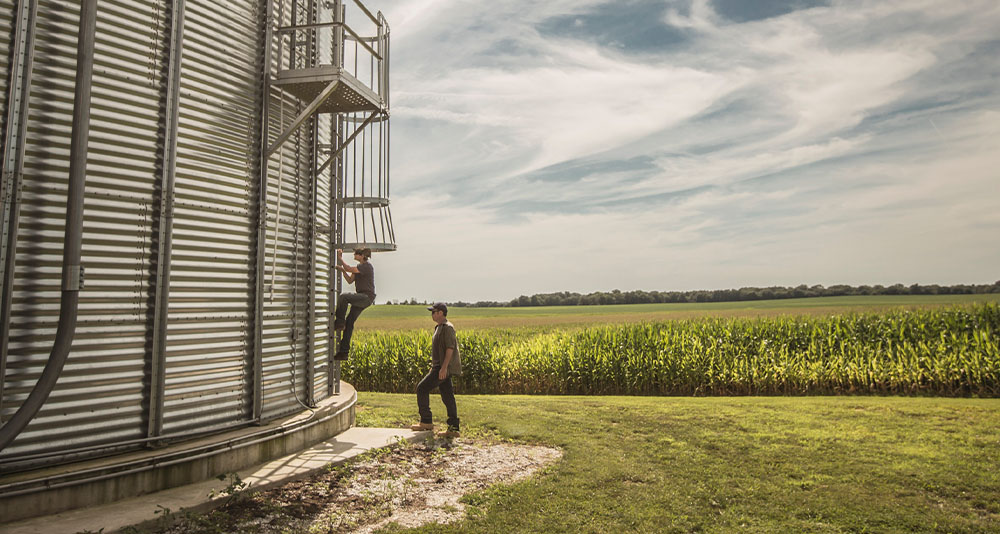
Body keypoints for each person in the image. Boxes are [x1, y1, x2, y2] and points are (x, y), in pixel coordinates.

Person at [410, 302, 461, 437]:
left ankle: (426, 421)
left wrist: (443, 368)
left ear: (440, 313)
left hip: (442, 368)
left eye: (434, 312)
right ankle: (453, 429)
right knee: (448, 396)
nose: (432, 314)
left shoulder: (447, 328)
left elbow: (450, 349)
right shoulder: (439, 327)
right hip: (439, 367)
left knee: (422, 388)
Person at [333, 247, 375, 360]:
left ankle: (339, 322)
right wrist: (342, 271)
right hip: (362, 298)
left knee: (343, 297)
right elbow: (350, 280)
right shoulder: (359, 268)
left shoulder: (366, 266)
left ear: (362, 256)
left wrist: (340, 258)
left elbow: (348, 268)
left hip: (366, 297)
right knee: (350, 323)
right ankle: (344, 352)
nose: (354, 255)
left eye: (356, 253)